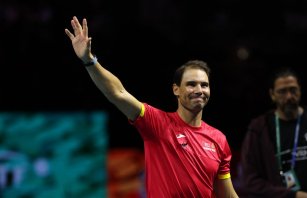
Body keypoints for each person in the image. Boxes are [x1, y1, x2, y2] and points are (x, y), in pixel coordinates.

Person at [64, 16, 239, 198]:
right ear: (176, 89)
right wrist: (89, 61)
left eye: (204, 85)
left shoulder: (218, 140)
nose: (199, 90)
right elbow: (118, 93)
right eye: (191, 84)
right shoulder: (157, 123)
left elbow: (227, 194)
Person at [239, 67, 307, 198]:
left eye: (293, 90)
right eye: (282, 92)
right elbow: (249, 181)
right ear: (272, 95)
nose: (289, 96)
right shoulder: (259, 128)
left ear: (300, 91)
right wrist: (291, 195)